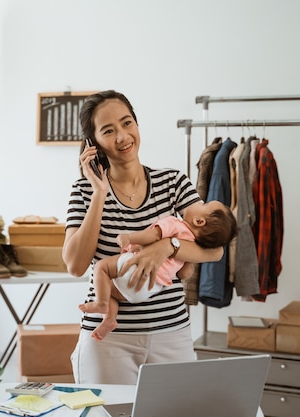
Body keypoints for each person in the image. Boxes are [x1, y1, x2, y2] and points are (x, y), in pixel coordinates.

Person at [62, 90, 225, 385]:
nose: (122, 136)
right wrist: (99, 193)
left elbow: (215, 251)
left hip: (171, 334)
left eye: (127, 124)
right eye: (108, 130)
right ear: (93, 143)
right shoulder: (83, 190)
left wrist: (168, 246)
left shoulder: (173, 182)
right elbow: (75, 265)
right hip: (108, 340)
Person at [78, 201, 236, 341]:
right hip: (150, 288)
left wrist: (129, 238)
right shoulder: (190, 246)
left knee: (101, 268)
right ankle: (110, 319)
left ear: (199, 221)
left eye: (203, 205)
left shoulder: (175, 224)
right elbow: (185, 273)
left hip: (136, 268)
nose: (198, 202)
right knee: (112, 291)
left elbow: (152, 235)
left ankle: (102, 303)